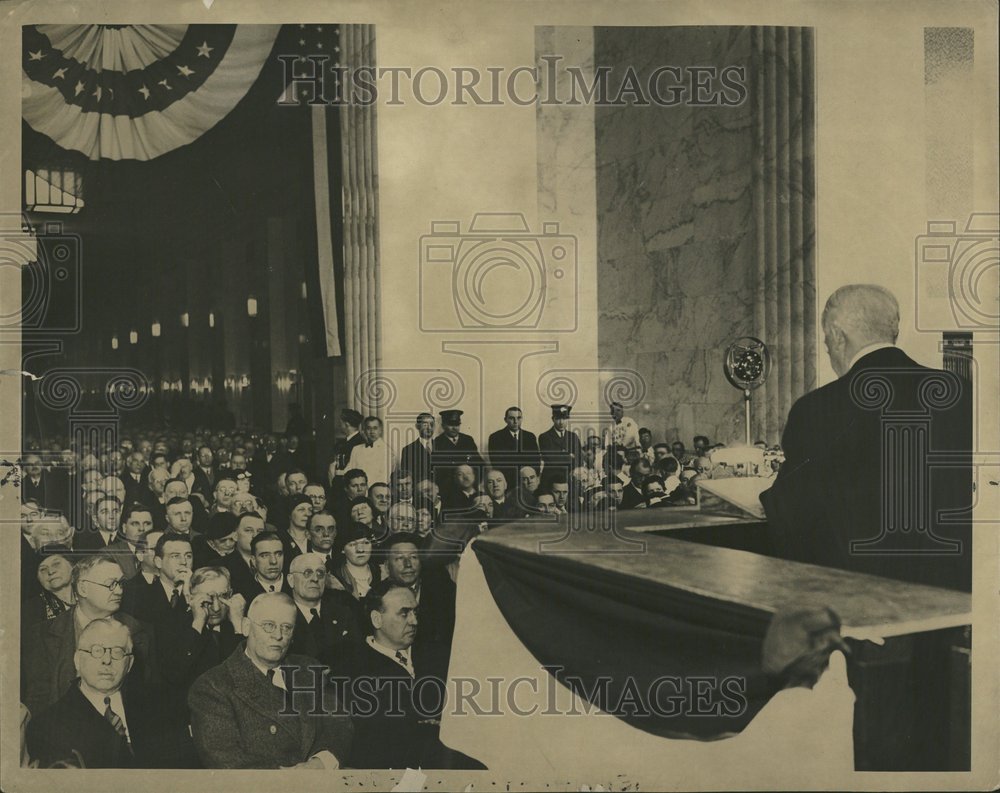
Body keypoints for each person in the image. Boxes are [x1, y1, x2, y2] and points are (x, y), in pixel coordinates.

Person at [760, 284, 972, 590]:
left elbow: (793, 517)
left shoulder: (816, 408)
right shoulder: (960, 392)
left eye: (827, 341)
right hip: (951, 593)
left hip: (861, 595)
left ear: (837, 335)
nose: (830, 350)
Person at [187, 592, 353, 769]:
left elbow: (339, 723)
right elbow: (227, 761)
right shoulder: (213, 686)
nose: (278, 635)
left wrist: (321, 762)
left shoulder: (308, 669)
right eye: (269, 626)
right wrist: (292, 779)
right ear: (246, 627)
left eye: (287, 628)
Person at [26, 618, 194, 768]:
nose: (107, 660)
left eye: (117, 651)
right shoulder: (47, 726)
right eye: (96, 651)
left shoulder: (158, 708)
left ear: (129, 664)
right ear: (77, 660)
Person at [22, 555, 155, 719]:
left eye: (120, 583)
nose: (119, 590)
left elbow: (146, 701)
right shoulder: (40, 635)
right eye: (110, 584)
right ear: (83, 588)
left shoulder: (138, 632)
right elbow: (38, 700)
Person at [346, 580, 449, 769]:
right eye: (404, 614)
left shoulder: (440, 657)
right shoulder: (352, 669)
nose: (414, 621)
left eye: (415, 612)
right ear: (377, 619)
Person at [157, 566, 246, 700]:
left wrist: (238, 626)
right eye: (207, 599)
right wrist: (198, 623)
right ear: (191, 598)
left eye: (223, 597)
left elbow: (246, 680)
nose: (216, 607)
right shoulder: (171, 625)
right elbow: (175, 674)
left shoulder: (236, 624)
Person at [287, 553, 362, 678]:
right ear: (291, 580)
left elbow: (358, 655)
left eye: (320, 573)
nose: (315, 579)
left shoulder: (343, 614)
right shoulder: (283, 616)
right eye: (307, 572)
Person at [382, 533, 456, 649]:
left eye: (413, 557)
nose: (408, 565)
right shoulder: (379, 596)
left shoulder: (442, 590)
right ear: (387, 566)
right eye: (400, 558)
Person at [486, 406, 541, 493]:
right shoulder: (495, 438)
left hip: (528, 484)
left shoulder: (530, 436)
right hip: (509, 484)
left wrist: (528, 479)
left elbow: (536, 461)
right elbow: (497, 463)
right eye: (512, 418)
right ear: (505, 420)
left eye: (518, 418)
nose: (516, 422)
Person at [431, 409, 484, 493]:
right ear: (443, 425)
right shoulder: (437, 443)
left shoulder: (468, 440)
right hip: (449, 490)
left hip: (470, 488)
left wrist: (474, 483)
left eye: (457, 424)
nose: (454, 428)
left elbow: (480, 464)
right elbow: (437, 472)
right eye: (450, 424)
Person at [23, 544, 76, 625]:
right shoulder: (30, 610)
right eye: (43, 569)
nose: (50, 572)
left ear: (72, 566)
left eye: (56, 564)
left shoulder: (91, 596)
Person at [222, 511, 265, 599]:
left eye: (260, 531)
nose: (255, 536)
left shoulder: (273, 562)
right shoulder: (222, 566)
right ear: (235, 536)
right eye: (248, 530)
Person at [538, 404, 583, 485]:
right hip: (551, 480)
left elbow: (579, 459)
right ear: (553, 419)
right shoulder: (544, 437)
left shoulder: (573, 437)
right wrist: (570, 456)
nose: (561, 422)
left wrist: (561, 456)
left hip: (570, 479)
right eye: (558, 419)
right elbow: (550, 459)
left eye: (564, 418)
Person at [346, 416, 392, 487]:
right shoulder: (356, 449)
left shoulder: (387, 451)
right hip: (357, 490)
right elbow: (350, 471)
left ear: (381, 430)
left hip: (375, 491)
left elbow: (385, 478)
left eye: (375, 428)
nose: (372, 432)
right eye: (368, 428)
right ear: (364, 430)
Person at [397, 413, 436, 486]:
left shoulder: (442, 446)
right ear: (417, 426)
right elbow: (407, 477)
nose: (429, 428)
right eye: (425, 424)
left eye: (432, 424)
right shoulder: (408, 450)